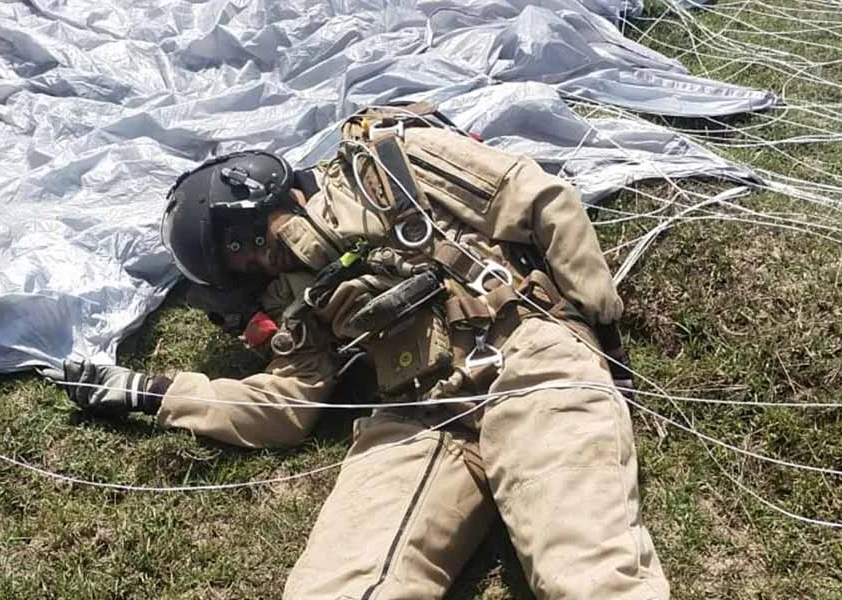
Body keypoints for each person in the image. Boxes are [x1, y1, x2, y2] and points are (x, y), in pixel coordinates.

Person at [45, 104, 669, 600]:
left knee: (585, 571)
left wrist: (598, 330)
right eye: (251, 270)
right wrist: (148, 390)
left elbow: (540, 200)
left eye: (255, 247)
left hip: (524, 360)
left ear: (261, 197)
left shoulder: (389, 164)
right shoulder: (301, 304)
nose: (271, 264)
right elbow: (282, 407)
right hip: (416, 418)